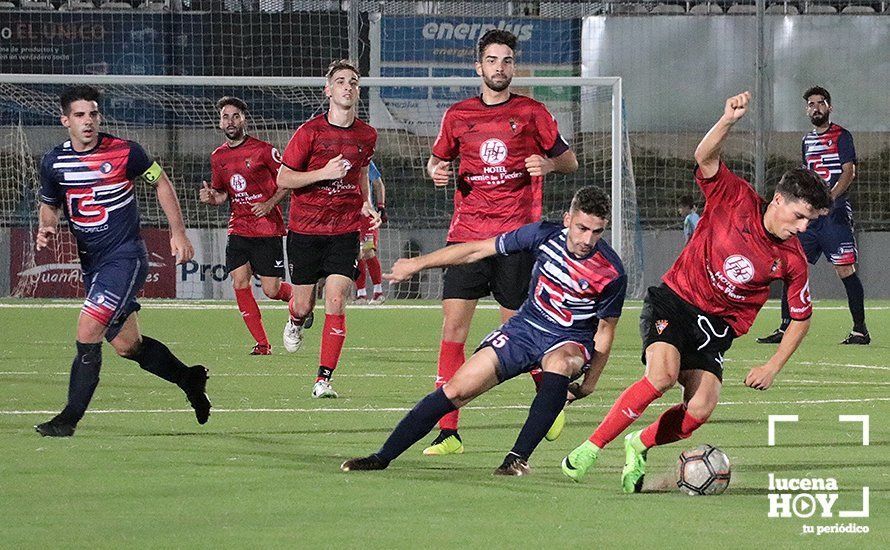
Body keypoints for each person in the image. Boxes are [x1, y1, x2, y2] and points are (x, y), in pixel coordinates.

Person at [560, 91, 832, 492]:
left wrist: (772, 366)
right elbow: (704, 158)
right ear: (778, 200)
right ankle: (590, 447)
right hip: (676, 301)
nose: (804, 227)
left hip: (716, 331)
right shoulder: (734, 196)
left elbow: (801, 319)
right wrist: (727, 120)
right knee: (662, 376)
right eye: (800, 216)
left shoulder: (791, 259)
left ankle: (641, 442)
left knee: (700, 409)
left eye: (811, 220)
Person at [341, 186, 626, 475]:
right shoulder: (542, 234)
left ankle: (516, 459)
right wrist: (418, 263)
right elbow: (477, 249)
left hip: (569, 340)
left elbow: (605, 330)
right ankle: (381, 457)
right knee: (456, 389)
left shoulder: (612, 272)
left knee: (560, 363)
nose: (587, 239)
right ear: (567, 220)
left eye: (596, 231)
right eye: (582, 228)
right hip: (524, 330)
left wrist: (590, 382)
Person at [423, 29, 579, 455]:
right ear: (479, 66)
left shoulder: (532, 113)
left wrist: (548, 163)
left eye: (507, 60)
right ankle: (448, 431)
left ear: (514, 66)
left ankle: (551, 397)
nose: (500, 67)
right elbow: (437, 161)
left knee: (521, 332)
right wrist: (434, 171)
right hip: (466, 238)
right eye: (492, 60)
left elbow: (570, 160)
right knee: (453, 330)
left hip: (515, 240)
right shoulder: (457, 115)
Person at [34, 85, 211, 437]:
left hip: (124, 257)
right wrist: (47, 226)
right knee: (128, 345)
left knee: (88, 330)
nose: (89, 121)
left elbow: (161, 182)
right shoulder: (53, 162)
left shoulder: (126, 152)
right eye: (80, 115)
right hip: (92, 263)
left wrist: (178, 233)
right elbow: (50, 203)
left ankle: (67, 420)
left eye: (94, 114)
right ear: (65, 120)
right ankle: (188, 378)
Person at [277, 60, 380, 398]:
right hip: (305, 229)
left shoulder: (367, 135)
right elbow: (284, 178)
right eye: (340, 81)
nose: (347, 87)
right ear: (328, 90)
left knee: (336, 299)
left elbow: (362, 172)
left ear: (357, 90)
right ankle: (294, 320)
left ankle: (323, 379)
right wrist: (323, 173)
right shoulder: (309, 133)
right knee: (304, 305)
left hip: (344, 229)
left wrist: (365, 203)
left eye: (353, 82)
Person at [758, 86, 869, 345]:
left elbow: (848, 173)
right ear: (807, 109)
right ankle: (785, 328)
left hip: (834, 215)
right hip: (810, 219)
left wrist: (827, 200)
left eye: (821, 103)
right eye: (811, 104)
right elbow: (808, 178)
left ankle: (860, 330)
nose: (816, 107)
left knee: (845, 269)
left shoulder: (842, 136)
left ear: (829, 107)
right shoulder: (807, 141)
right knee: (790, 266)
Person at [199, 96, 293, 355]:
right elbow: (221, 194)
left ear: (244, 119)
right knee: (240, 283)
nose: (230, 121)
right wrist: (211, 198)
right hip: (238, 228)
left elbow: (287, 179)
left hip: (267, 229)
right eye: (225, 117)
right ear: (220, 123)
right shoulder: (218, 157)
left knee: (272, 290)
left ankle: (298, 301)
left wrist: (270, 203)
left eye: (235, 116)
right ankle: (263, 344)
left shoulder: (264, 150)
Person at [355, 160, 387, 305]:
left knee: (368, 251)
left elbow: (378, 183)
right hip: (349, 216)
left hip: (367, 215)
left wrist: (381, 207)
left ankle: (378, 292)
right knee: (357, 254)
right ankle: (361, 294)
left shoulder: (366, 162)